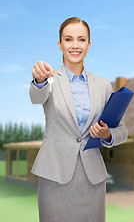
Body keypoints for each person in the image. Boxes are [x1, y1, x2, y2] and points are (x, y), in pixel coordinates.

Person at [29, 17, 128, 222]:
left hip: (92, 179)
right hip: (55, 175)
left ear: (89, 45)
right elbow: (36, 97)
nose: (75, 45)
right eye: (68, 39)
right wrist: (39, 80)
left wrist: (107, 134)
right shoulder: (49, 78)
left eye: (81, 40)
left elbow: (122, 131)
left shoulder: (103, 85)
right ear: (60, 44)